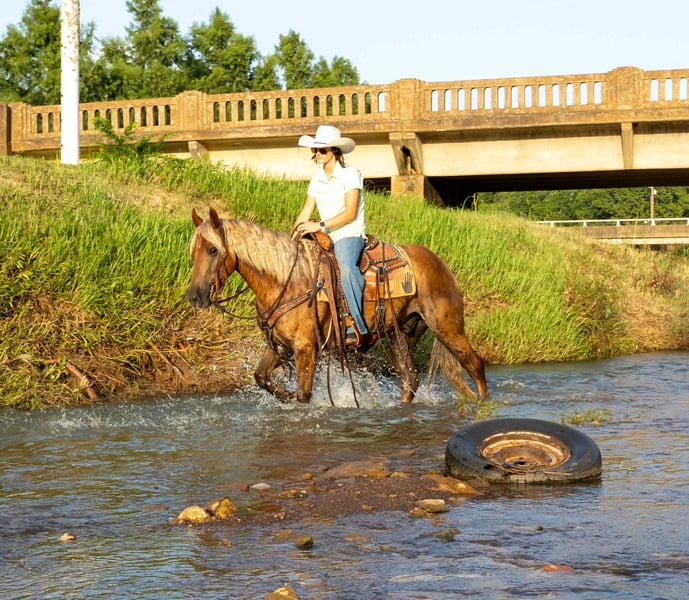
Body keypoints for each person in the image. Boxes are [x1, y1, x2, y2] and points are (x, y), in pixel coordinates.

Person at [293, 125, 368, 347]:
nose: (317, 154)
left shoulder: (350, 174)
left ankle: (356, 325)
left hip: (348, 233)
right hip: (323, 234)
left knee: (346, 267)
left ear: (334, 151)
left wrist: (319, 225)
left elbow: (350, 213)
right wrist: (292, 238)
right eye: (315, 150)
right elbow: (305, 212)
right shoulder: (316, 179)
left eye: (322, 150)